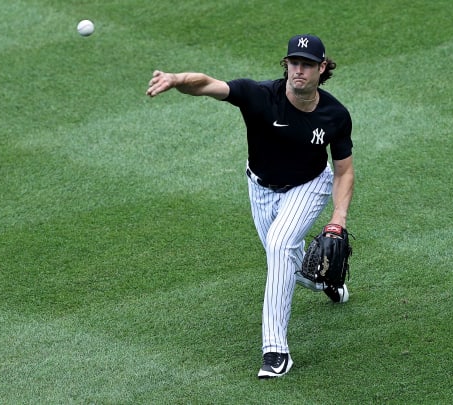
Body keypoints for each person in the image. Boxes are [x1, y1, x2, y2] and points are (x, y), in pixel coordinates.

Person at [146, 34, 354, 378]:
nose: (298, 70)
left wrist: (338, 218)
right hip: (260, 188)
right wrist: (177, 80)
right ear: (286, 65)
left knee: (278, 244)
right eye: (293, 63)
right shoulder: (259, 96)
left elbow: (344, 171)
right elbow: (208, 85)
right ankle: (321, 279)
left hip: (309, 185)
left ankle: (276, 351)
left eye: (306, 64)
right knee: (284, 259)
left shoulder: (334, 115)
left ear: (321, 68)